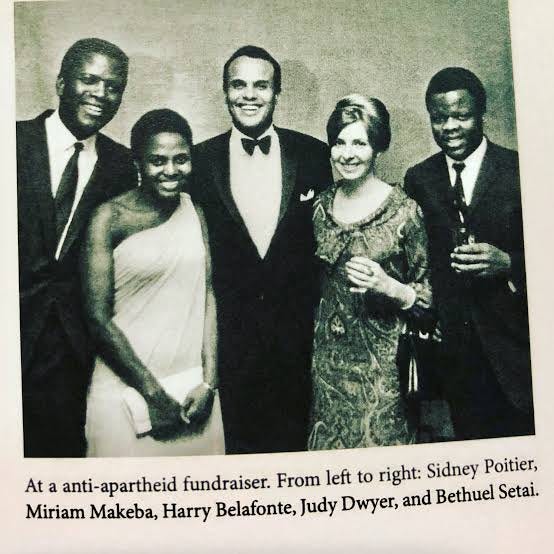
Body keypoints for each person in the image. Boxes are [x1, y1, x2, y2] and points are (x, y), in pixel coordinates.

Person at [192, 45, 333, 454]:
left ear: (277, 93)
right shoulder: (199, 162)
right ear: (224, 92)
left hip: (300, 344)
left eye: (261, 85)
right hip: (229, 345)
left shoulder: (314, 155)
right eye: (238, 84)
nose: (249, 95)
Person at [16, 38, 136, 457]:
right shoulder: (12, 142)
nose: (102, 94)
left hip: (70, 351)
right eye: (90, 80)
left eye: (113, 86)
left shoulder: (123, 167)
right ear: (62, 82)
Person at [81, 109, 224, 457]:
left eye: (181, 159)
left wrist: (209, 383)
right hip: (123, 394)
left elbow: (207, 295)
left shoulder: (194, 209)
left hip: (193, 394)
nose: (171, 171)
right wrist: (154, 396)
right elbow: (96, 319)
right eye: (157, 161)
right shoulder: (108, 218)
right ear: (138, 164)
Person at [404, 67, 533, 440]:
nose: (450, 127)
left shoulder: (520, 169)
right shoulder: (419, 178)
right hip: (455, 358)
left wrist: (509, 263)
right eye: (439, 118)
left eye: (461, 116)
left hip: (520, 351)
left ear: (482, 114)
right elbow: (417, 260)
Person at [308, 94, 432, 450]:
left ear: (377, 147)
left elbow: (428, 301)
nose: (347, 154)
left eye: (359, 142)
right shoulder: (319, 207)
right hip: (327, 368)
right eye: (340, 142)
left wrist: (388, 285)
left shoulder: (405, 211)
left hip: (384, 372)